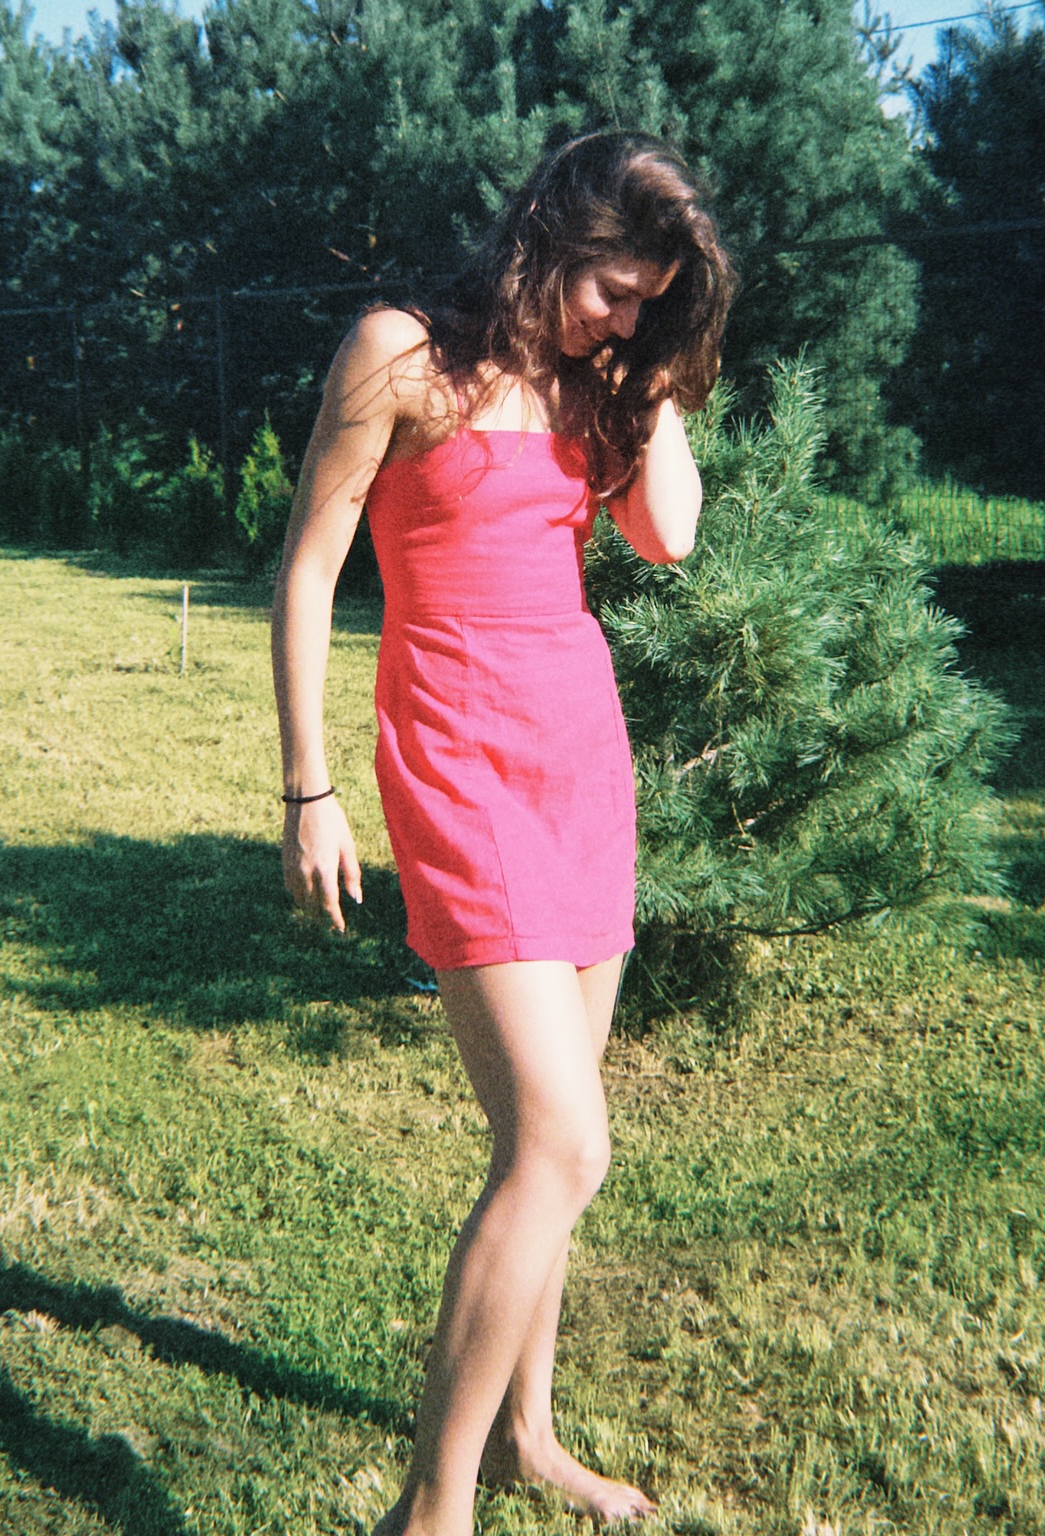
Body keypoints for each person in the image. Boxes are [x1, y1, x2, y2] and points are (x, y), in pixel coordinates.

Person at [271, 131, 735, 1533]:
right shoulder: (401, 354)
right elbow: (309, 567)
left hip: (579, 758)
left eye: (650, 303)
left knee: (549, 1151)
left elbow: (670, 536)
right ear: (549, 238)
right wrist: (308, 788)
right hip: (458, 759)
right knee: (563, 1146)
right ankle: (433, 1509)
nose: (626, 320)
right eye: (614, 290)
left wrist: (652, 380)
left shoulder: (601, 384)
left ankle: (530, 1434)